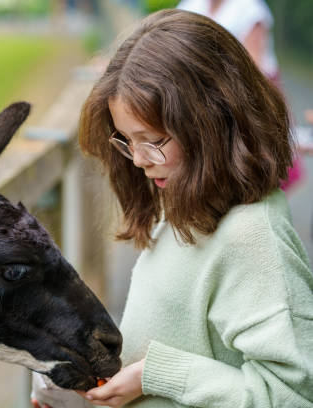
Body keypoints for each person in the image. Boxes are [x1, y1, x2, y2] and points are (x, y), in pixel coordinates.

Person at [31, 9, 313, 408]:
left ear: (213, 120)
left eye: (154, 140)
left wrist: (154, 375)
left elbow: (293, 395)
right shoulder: (182, 203)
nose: (139, 160)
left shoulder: (252, 237)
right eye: (127, 140)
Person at [177, 0, 305, 193]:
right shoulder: (191, 6)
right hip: (205, 92)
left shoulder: (250, 9)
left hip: (249, 89)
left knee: (257, 162)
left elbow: (254, 65)